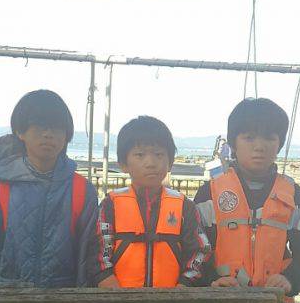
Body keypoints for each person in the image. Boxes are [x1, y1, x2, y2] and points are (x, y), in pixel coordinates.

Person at [194, 98, 300, 303]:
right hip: (219, 300)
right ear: (233, 143)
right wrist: (210, 280)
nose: (259, 146)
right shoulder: (209, 193)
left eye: (269, 138)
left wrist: (291, 279)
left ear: (279, 144)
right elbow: (195, 248)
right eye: (249, 138)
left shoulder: (294, 195)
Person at [0, 89, 97, 287]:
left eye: (57, 128)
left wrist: (83, 301)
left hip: (63, 297)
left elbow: (86, 255)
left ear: (67, 135)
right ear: (20, 132)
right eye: (39, 127)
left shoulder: (82, 189)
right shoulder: (0, 186)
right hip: (8, 295)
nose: (48, 134)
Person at [88, 115, 211, 288]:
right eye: (139, 155)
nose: (151, 163)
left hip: (173, 302)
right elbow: (98, 252)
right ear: (123, 164)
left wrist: (184, 286)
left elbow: (201, 251)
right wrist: (110, 287)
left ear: (170, 162)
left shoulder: (185, 206)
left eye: (159, 154)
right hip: (118, 300)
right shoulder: (110, 205)